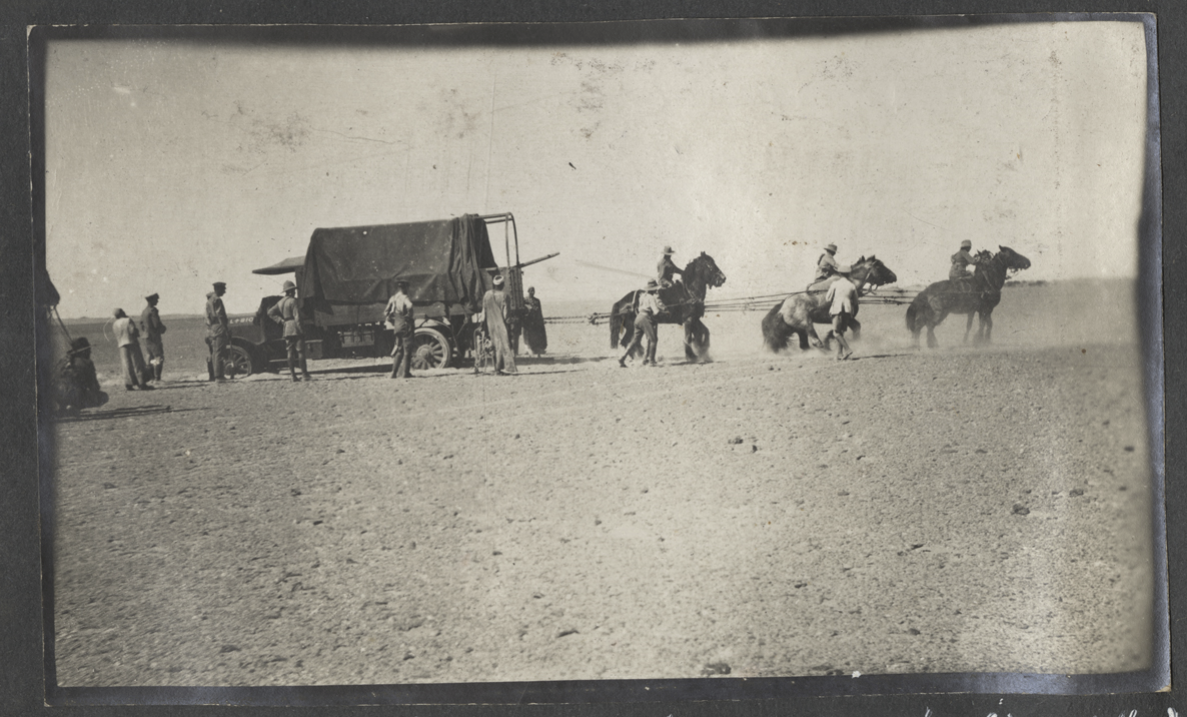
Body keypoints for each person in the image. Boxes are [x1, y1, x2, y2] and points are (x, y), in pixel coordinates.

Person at [268, 280, 312, 382]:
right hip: (295, 327)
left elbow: (270, 312)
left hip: (287, 328)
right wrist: (301, 330)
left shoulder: (280, 302)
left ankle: (293, 376)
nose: (295, 292)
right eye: (293, 290)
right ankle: (305, 375)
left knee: (290, 352)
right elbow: (297, 318)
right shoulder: (293, 301)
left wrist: (281, 321)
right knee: (300, 351)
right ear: (291, 291)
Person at [619, 279, 665, 367]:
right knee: (653, 340)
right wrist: (663, 312)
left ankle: (622, 358)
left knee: (635, 340)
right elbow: (655, 311)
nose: (656, 290)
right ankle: (651, 361)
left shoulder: (642, 296)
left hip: (638, 318)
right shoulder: (651, 297)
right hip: (645, 318)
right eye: (656, 289)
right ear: (654, 289)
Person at [481, 274, 517, 375]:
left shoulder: (487, 294)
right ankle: (498, 369)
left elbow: (483, 312)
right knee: (501, 346)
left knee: (493, 345)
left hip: (489, 324)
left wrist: (483, 324)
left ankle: (496, 367)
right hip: (501, 324)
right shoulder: (504, 296)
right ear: (502, 284)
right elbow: (506, 314)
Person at [113, 308, 152, 390]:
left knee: (126, 364)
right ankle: (141, 382)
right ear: (122, 313)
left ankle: (128, 383)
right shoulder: (128, 320)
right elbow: (133, 330)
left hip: (121, 345)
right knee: (137, 363)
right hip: (132, 343)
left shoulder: (115, 323)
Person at [824, 271, 859, 361]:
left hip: (837, 309)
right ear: (848, 275)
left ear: (840, 274)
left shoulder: (835, 283)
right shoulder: (852, 285)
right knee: (841, 332)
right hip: (847, 310)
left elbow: (827, 298)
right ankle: (839, 354)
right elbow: (855, 302)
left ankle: (847, 349)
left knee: (836, 332)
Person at [384, 279, 415, 379]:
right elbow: (410, 306)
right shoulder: (405, 298)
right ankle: (405, 373)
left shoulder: (393, 298)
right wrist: (408, 315)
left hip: (397, 326)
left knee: (399, 349)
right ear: (405, 287)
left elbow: (386, 312)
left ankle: (393, 373)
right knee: (407, 351)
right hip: (406, 326)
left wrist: (392, 317)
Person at [205, 281, 230, 381]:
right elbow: (221, 316)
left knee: (215, 352)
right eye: (223, 289)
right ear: (218, 289)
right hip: (219, 328)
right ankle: (219, 376)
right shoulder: (217, 300)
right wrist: (226, 328)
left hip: (212, 328)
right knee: (219, 352)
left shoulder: (209, 300)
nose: (224, 291)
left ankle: (215, 375)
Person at [139, 292, 166, 383]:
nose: (157, 301)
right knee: (158, 357)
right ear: (152, 300)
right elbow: (156, 324)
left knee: (150, 357)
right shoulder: (153, 311)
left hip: (146, 338)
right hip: (154, 338)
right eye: (156, 299)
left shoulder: (144, 311)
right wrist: (162, 329)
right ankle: (157, 378)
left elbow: (141, 325)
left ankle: (151, 378)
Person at [521, 286, 548, 356]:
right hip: (529, 320)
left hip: (536, 320)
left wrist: (541, 320)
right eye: (531, 291)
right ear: (528, 291)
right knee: (529, 336)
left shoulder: (537, 300)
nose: (532, 292)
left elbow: (539, 311)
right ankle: (529, 349)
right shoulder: (525, 300)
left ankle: (537, 348)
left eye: (533, 291)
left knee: (536, 335)